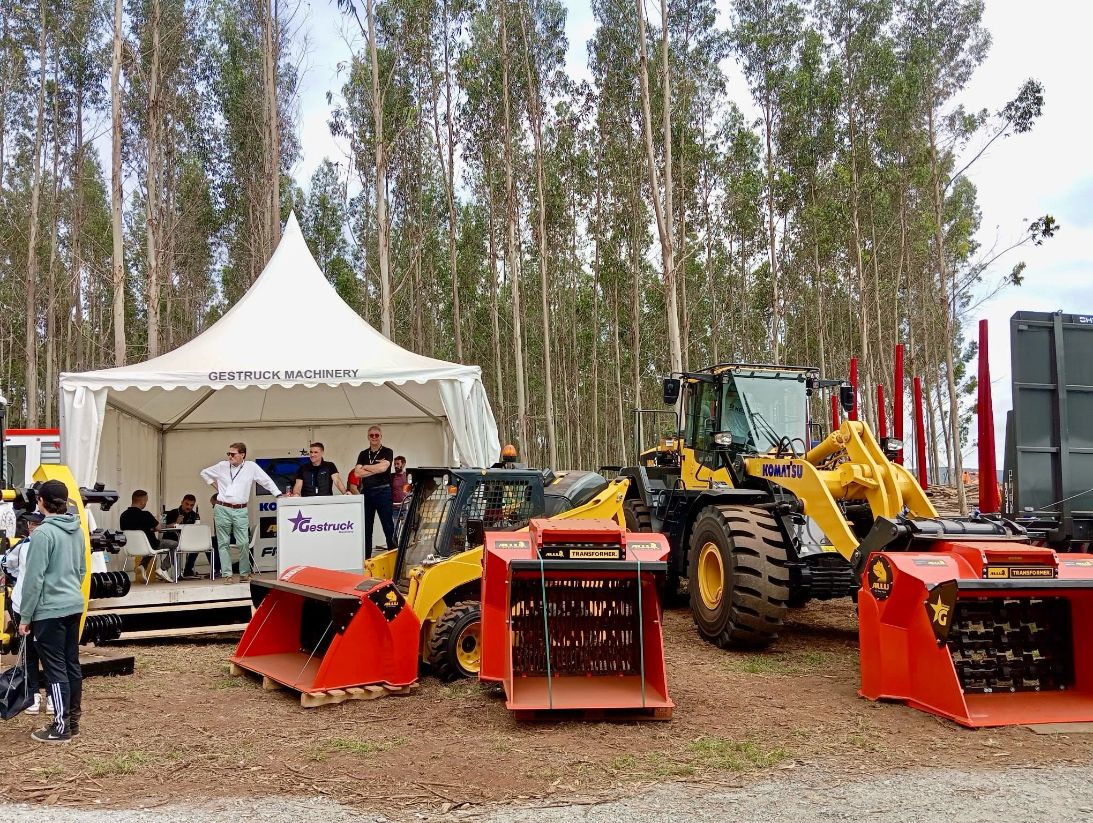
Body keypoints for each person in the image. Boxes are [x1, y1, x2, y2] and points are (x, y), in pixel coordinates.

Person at [19, 479, 86, 743]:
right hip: (72, 604)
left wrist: (25, 617)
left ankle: (60, 727)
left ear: (41, 501)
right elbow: (81, 569)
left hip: (49, 610)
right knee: (71, 664)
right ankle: (72, 720)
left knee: (55, 669)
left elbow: (33, 580)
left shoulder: (43, 534)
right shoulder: (77, 530)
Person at [200, 443, 283, 583]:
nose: (230, 457)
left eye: (233, 454)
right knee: (223, 542)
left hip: (240, 509)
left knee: (244, 542)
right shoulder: (222, 465)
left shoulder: (251, 467)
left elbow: (266, 481)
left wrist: (278, 494)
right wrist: (217, 487)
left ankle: (244, 573)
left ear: (242, 454)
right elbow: (204, 473)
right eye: (228, 454)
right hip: (222, 508)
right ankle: (227, 574)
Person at [3, 512, 50, 716]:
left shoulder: (36, 544)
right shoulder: (24, 545)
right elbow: (7, 563)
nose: (31, 526)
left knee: (39, 652)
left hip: (38, 605)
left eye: (35, 523)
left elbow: (7, 565)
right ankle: (37, 695)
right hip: (31, 605)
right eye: (30, 523)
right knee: (34, 652)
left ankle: (43, 696)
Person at [352, 426, 395, 558]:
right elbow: (357, 473)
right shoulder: (363, 454)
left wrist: (366, 467)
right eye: (372, 435)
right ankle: (367, 560)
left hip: (383, 491)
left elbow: (383, 468)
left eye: (377, 435)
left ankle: (394, 559)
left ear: (381, 436)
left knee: (388, 526)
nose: (374, 437)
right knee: (366, 528)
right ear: (368, 437)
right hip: (367, 492)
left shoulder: (387, 451)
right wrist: (375, 468)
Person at [119, 490, 177, 583]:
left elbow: (133, 529)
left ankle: (142, 566)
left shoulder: (123, 515)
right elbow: (158, 528)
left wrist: (149, 528)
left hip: (131, 548)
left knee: (149, 547)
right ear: (142, 501)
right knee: (175, 545)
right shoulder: (146, 514)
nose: (146, 503)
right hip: (150, 546)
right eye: (146, 501)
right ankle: (163, 569)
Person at [163, 494, 204, 580]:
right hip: (171, 538)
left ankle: (188, 570)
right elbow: (163, 527)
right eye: (187, 504)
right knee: (176, 545)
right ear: (182, 502)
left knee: (199, 544)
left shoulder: (194, 515)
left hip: (186, 539)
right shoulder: (172, 513)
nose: (189, 507)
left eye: (191, 505)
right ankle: (176, 572)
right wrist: (176, 523)